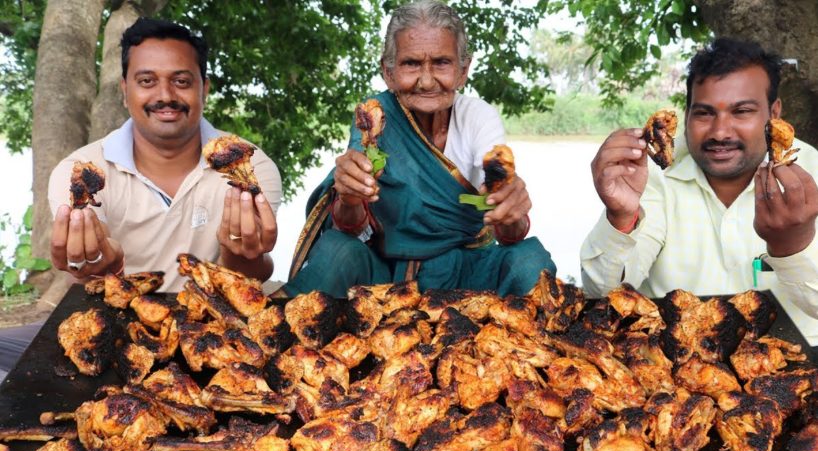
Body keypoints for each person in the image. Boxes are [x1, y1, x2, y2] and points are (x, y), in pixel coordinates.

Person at [283, 0, 555, 298]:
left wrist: (508, 205)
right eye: (411, 64)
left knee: (529, 260)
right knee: (337, 249)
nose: (426, 81)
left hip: (468, 271)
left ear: (463, 71)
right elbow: (349, 227)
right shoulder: (375, 118)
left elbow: (509, 231)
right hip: (386, 276)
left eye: (441, 63)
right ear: (388, 72)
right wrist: (349, 197)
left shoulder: (479, 118)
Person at [581, 37, 818, 343]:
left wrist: (791, 246)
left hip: (797, 367)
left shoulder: (812, 171)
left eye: (741, 111)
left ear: (774, 114)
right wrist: (620, 218)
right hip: (672, 369)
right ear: (687, 113)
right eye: (704, 113)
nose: (720, 132)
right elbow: (602, 296)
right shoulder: (651, 172)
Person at [48, 18, 282, 292]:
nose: (165, 95)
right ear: (125, 91)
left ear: (203, 90)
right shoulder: (81, 172)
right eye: (147, 81)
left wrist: (245, 254)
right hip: (118, 320)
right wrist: (103, 266)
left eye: (181, 81)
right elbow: (87, 278)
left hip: (219, 320)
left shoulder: (248, 165)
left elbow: (248, 278)